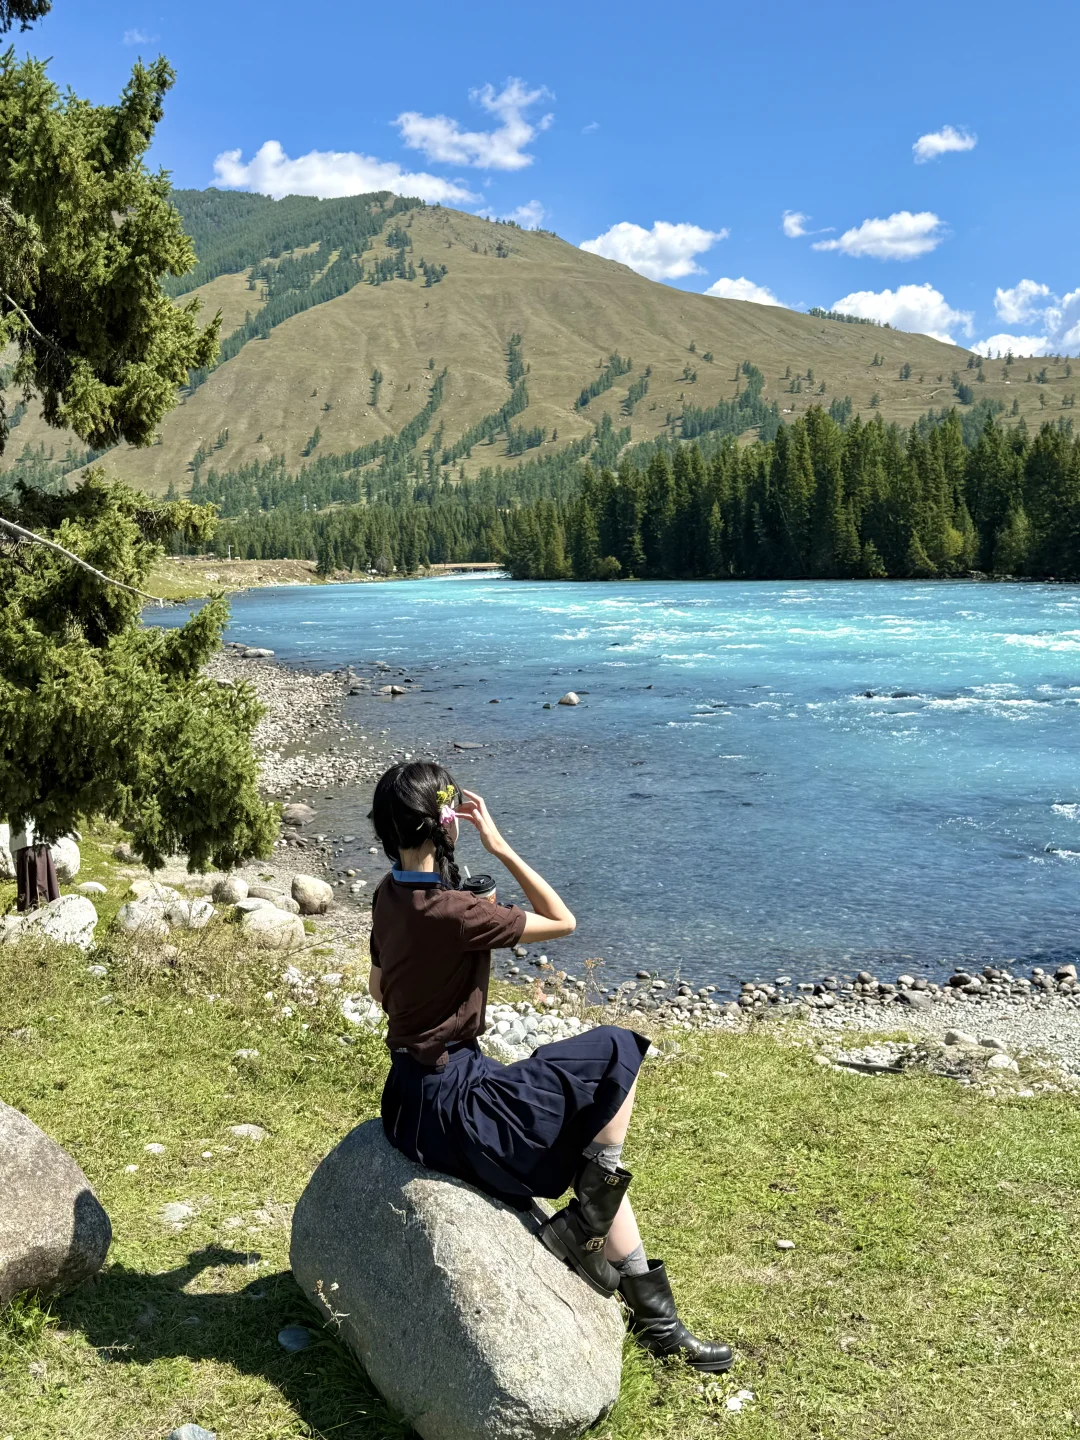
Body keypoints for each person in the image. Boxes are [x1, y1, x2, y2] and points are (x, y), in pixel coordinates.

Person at [367, 760, 731, 1372]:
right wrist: (502, 846)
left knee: (593, 1151)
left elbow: (381, 990)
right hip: (459, 1109)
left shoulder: (388, 894)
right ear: (446, 825)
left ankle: (652, 1311)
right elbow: (562, 920)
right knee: (617, 1048)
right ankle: (614, 1263)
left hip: (406, 1102)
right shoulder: (460, 913)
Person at [10, 817, 59, 913]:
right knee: (31, 891)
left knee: (41, 890)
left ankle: (43, 914)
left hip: (35, 845)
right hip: (26, 846)